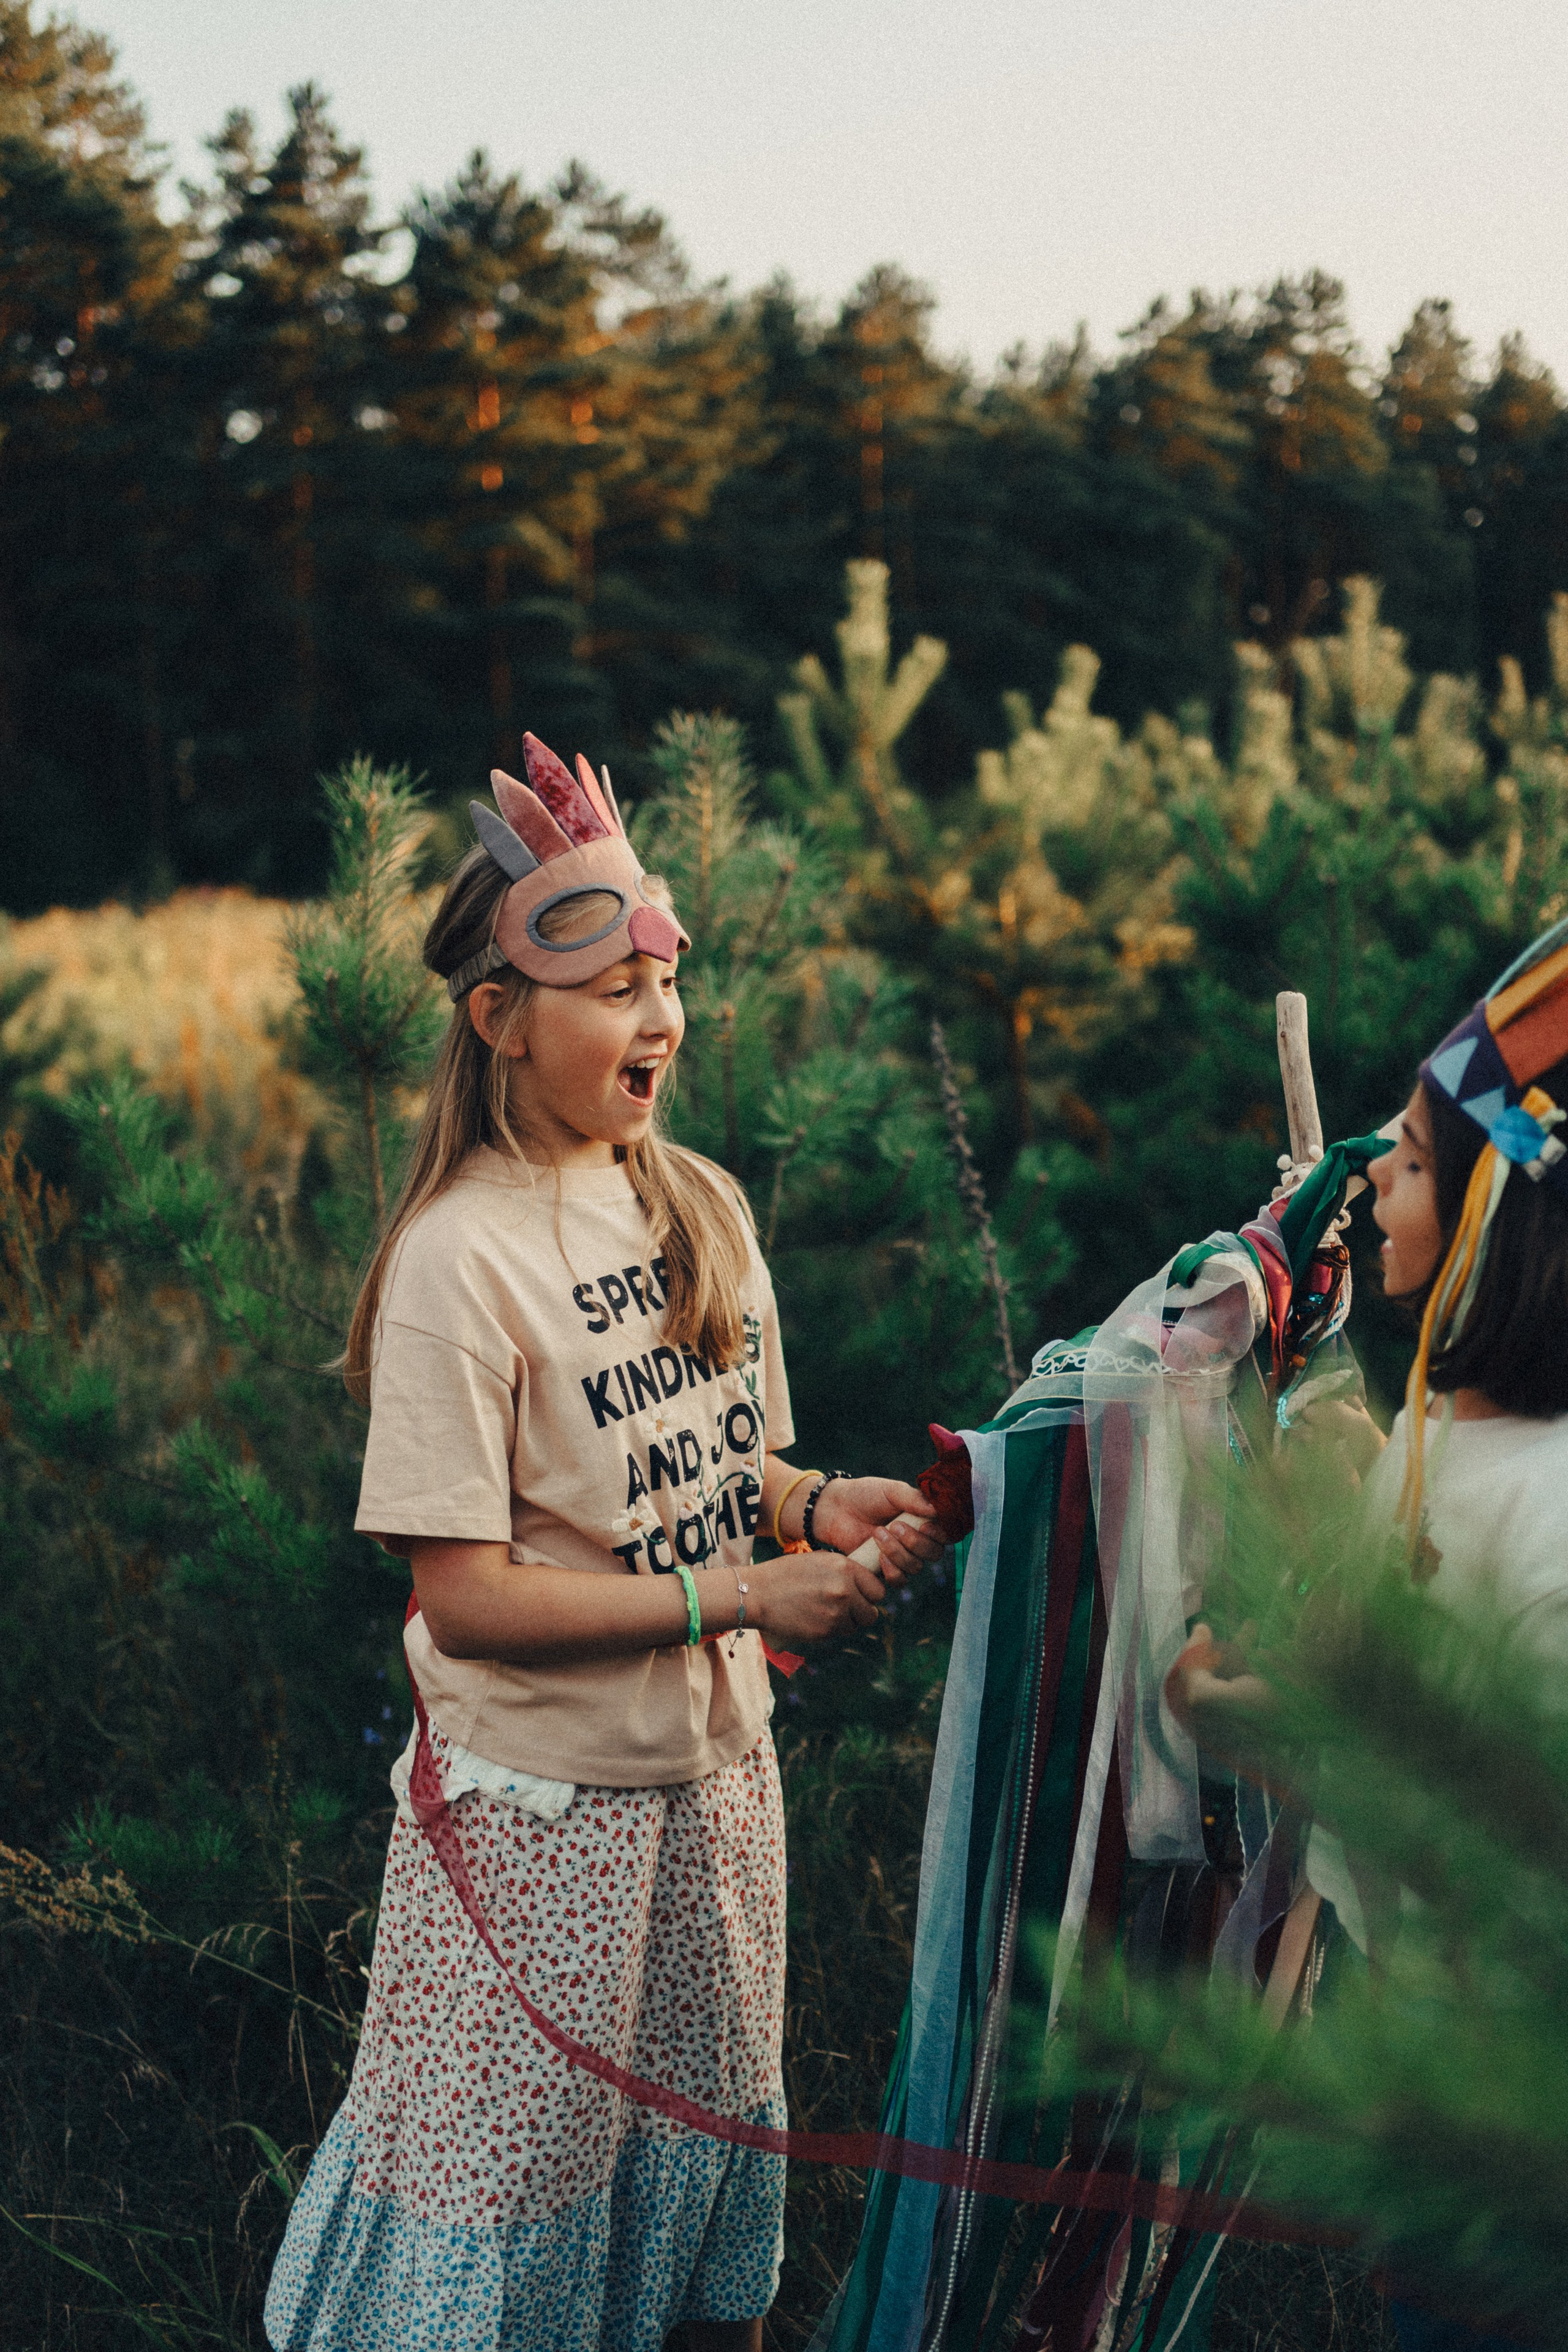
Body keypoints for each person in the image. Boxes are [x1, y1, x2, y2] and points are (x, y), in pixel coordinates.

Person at [263, 734, 941, 2352]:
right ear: (501, 1019)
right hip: (543, 1827)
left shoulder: (697, 1204)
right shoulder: (459, 1262)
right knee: (516, 2223)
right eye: (614, 990)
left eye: (665, 981)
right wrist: (744, 1593)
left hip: (718, 1793)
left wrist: (810, 1503)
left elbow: (716, 1463)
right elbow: (466, 1600)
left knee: (705, 2203)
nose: (661, 1019)